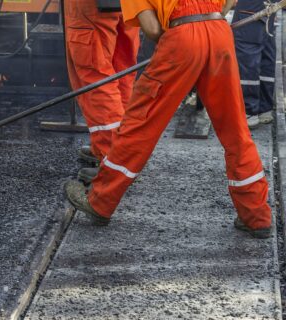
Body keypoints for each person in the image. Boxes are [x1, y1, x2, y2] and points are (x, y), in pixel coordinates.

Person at [65, 0, 272, 239]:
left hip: (181, 38)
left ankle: (99, 202)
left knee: (140, 123)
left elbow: (152, 29)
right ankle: (256, 216)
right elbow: (228, 3)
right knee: (236, 131)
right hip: (219, 33)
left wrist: (180, 39)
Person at [64, 0, 140, 183]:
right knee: (121, 71)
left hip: (91, 9)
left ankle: (113, 161)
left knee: (95, 75)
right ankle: (124, 152)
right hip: (130, 6)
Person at [232, 0, 276, 129]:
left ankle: (249, 111)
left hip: (250, 7)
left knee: (247, 56)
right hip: (267, 6)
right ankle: (264, 108)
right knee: (265, 52)